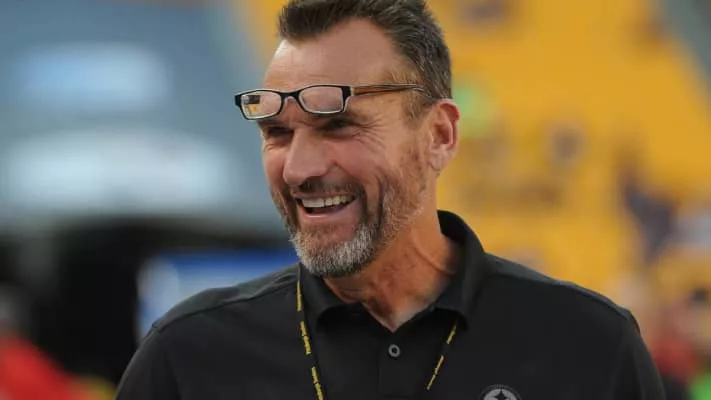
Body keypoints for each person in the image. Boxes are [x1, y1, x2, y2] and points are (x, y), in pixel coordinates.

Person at [115, 0, 666, 398]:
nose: (300, 168)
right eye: (277, 133)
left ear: (439, 136)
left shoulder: (589, 345)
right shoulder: (186, 357)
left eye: (338, 125)